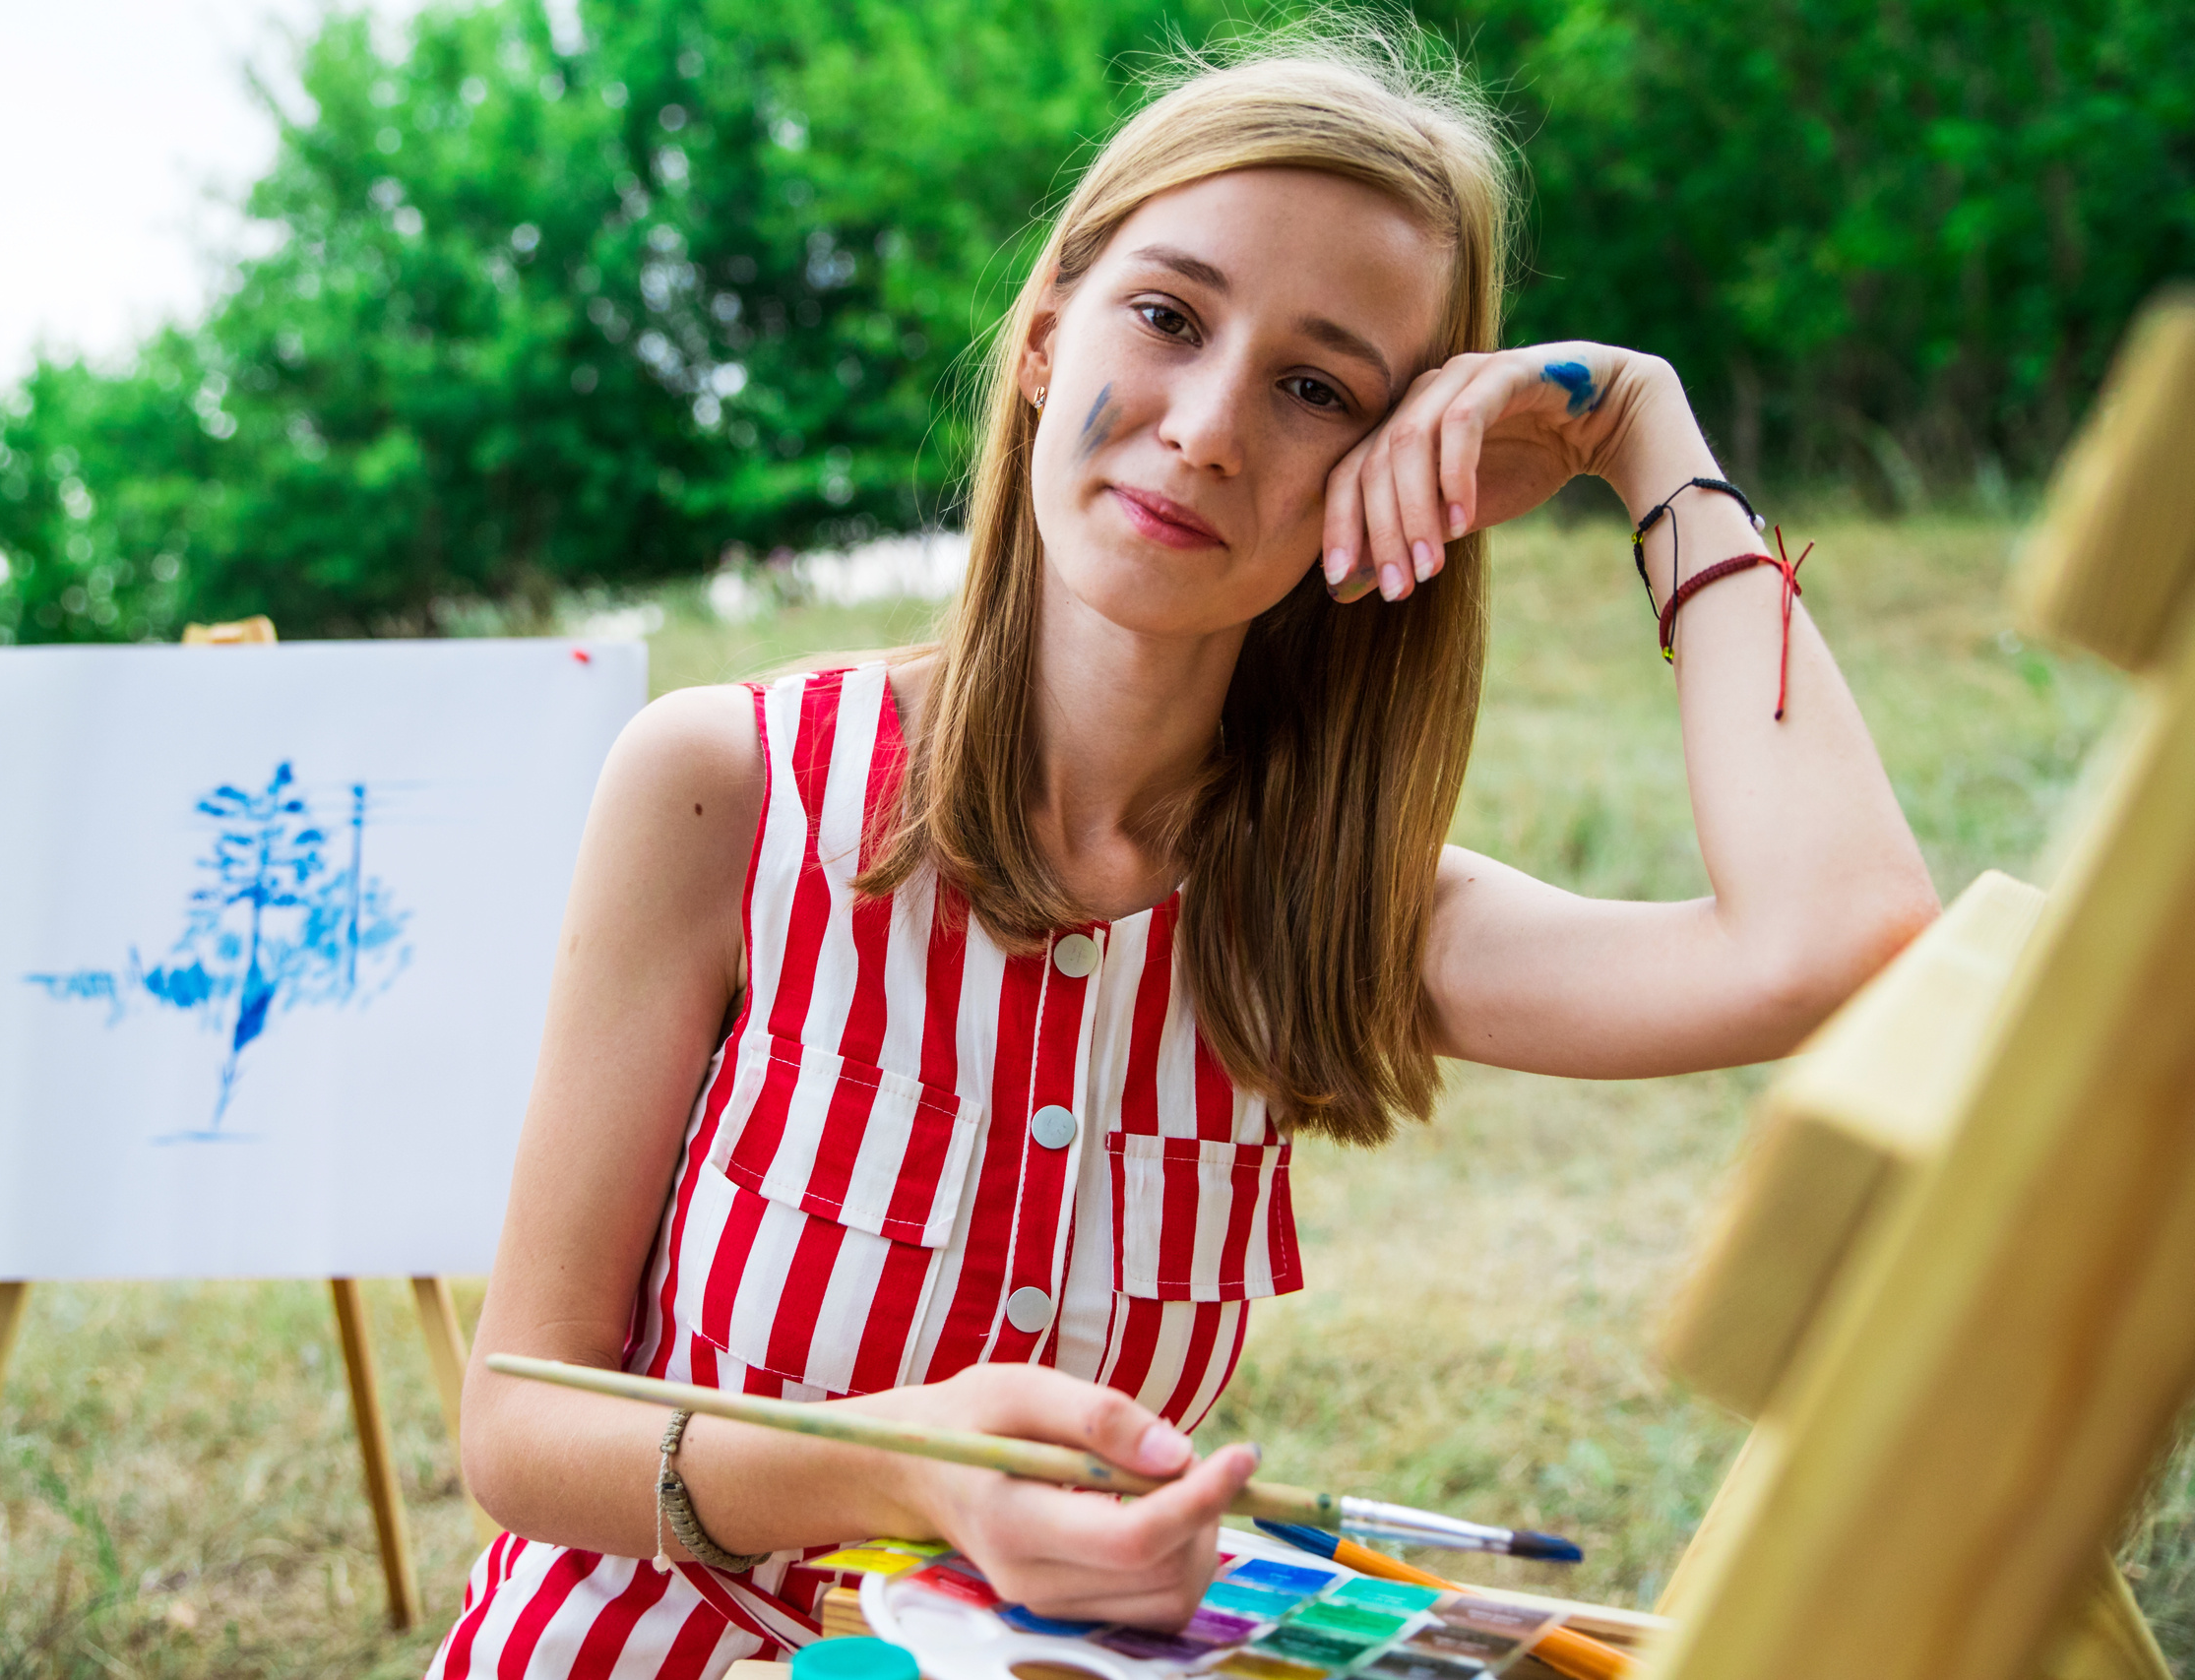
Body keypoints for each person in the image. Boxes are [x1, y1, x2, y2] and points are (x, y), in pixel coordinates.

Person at [428, 25, 1938, 1680]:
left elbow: (1843, 939)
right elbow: (518, 1422)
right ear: (1048, 330)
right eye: (1168, 315)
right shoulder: (729, 784)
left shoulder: (1334, 906)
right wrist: (902, 1467)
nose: (1211, 430)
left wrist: (1643, 435)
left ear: (1392, 467)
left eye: (1317, 387)